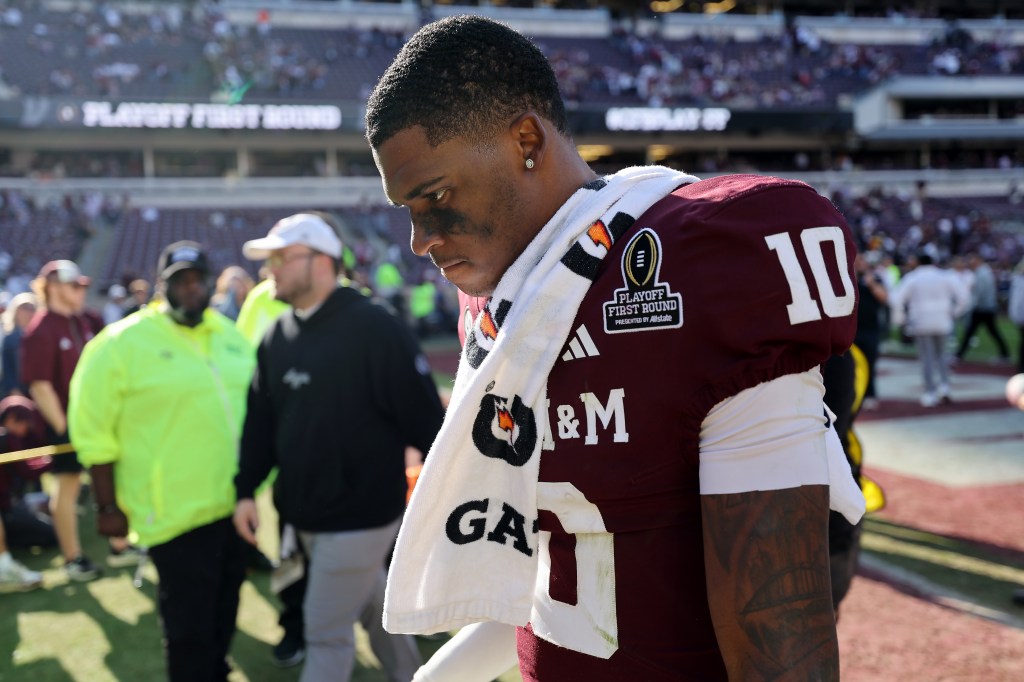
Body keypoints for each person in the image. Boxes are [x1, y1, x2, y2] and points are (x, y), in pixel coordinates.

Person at [365, 15, 865, 681]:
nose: (420, 238)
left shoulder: (700, 263)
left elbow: (782, 620)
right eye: (407, 208)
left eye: (435, 195)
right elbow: (562, 568)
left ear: (525, 140)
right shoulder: (503, 305)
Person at [232, 212, 444, 682]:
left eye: (281, 259)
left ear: (323, 261)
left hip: (361, 517)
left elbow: (426, 422)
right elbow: (261, 425)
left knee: (324, 634)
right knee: (374, 610)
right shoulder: (276, 336)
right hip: (303, 515)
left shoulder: (375, 328)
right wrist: (245, 489)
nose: (271, 272)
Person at [68, 241, 255, 682]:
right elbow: (92, 430)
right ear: (160, 286)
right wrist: (107, 505)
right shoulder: (121, 343)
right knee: (188, 626)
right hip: (172, 512)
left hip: (235, 506)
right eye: (180, 282)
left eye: (198, 280)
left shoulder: (230, 336)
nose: (191, 290)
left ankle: (216, 669)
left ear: (211, 284)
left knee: (226, 606)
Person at [20, 260, 111, 580]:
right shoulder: (41, 329)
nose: (82, 290)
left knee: (110, 478)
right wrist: (65, 428)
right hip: (68, 426)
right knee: (68, 487)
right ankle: (73, 558)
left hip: (98, 419)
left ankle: (121, 541)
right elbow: (40, 387)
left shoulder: (87, 320)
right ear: (55, 287)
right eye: (75, 286)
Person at [891, 253, 970, 407]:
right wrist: (954, 313)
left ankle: (930, 392)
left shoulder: (912, 278)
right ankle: (945, 387)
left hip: (921, 322)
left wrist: (900, 319)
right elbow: (964, 297)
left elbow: (897, 298)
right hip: (943, 321)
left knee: (926, 358)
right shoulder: (945, 276)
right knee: (942, 355)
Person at [0, 396, 54, 593]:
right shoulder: (7, 438)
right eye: (24, 423)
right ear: (12, 418)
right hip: (8, 512)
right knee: (50, 535)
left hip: (12, 506)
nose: (26, 429)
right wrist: (54, 461)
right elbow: (28, 471)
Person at [955, 252, 1010, 363]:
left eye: (972, 260)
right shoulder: (984, 272)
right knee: (988, 332)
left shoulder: (982, 273)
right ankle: (1004, 354)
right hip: (986, 307)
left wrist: (969, 306)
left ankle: (959, 355)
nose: (970, 263)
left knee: (971, 332)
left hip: (983, 308)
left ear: (977, 260)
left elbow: (978, 293)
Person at [1, 292, 36, 397]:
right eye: (25, 308)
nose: (29, 312)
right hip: (17, 394)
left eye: (32, 308)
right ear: (16, 311)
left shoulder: (41, 338)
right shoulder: (10, 338)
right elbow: (7, 370)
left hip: (37, 392)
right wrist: (15, 392)